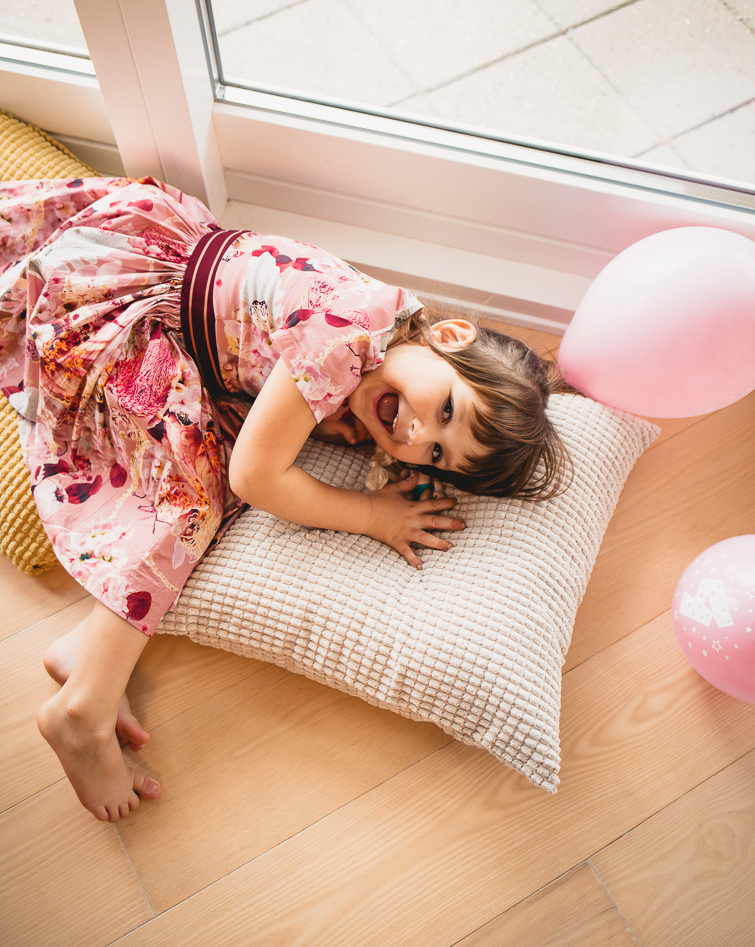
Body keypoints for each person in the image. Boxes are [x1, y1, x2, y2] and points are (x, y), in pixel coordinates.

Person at [0, 176, 570, 823]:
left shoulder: (390, 351)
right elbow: (256, 480)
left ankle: (88, 650)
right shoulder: (347, 331)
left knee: (212, 481)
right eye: (443, 410)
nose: (415, 435)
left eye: (436, 452)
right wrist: (371, 516)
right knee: (195, 504)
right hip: (121, 314)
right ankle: (82, 712)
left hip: (175, 306)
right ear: (447, 337)